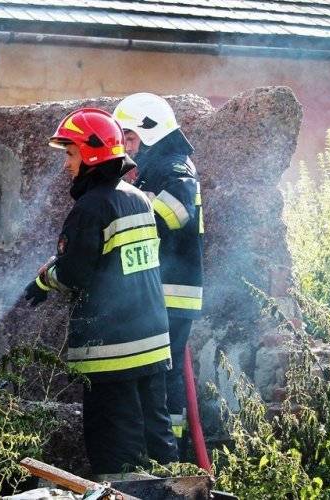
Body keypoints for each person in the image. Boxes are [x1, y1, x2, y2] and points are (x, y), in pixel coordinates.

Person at [23, 108, 178, 475]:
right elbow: (117, 260)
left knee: (116, 452)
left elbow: (76, 272)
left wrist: (45, 280)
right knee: (158, 443)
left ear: (91, 155)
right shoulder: (138, 199)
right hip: (152, 343)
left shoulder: (91, 207)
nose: (67, 165)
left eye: (70, 154)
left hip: (112, 353)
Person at [114, 93, 204, 444]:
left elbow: (177, 212)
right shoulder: (155, 167)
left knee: (163, 376)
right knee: (157, 375)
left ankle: (168, 454)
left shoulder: (175, 166)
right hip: (160, 291)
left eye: (131, 138)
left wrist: (125, 199)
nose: (127, 147)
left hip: (173, 293)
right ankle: (162, 448)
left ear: (151, 133)